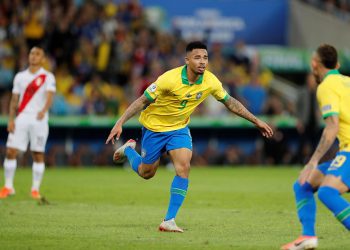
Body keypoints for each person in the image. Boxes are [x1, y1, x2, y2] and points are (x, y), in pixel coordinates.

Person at [105, 41, 273, 232]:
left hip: (179, 129)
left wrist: (256, 121)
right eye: (197, 57)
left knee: (183, 167)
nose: (202, 62)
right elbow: (142, 100)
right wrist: (120, 122)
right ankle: (128, 150)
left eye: (205, 57)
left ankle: (169, 220)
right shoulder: (168, 79)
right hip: (154, 128)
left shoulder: (210, 81)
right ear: (187, 60)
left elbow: (231, 103)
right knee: (146, 173)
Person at [281, 44, 350, 250]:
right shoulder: (347, 81)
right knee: (303, 184)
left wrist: (312, 162)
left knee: (327, 192)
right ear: (336, 64)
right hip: (346, 151)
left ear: (314, 64)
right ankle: (308, 236)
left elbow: (332, 127)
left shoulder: (326, 86)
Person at [0, 46, 56, 199]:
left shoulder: (48, 77)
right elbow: (14, 99)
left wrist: (44, 110)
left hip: (39, 119)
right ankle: (8, 186)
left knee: (37, 153)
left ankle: (35, 189)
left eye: (37, 54)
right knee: (11, 151)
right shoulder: (20, 77)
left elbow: (50, 96)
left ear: (42, 59)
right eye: (32, 53)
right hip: (22, 117)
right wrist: (11, 119)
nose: (34, 56)